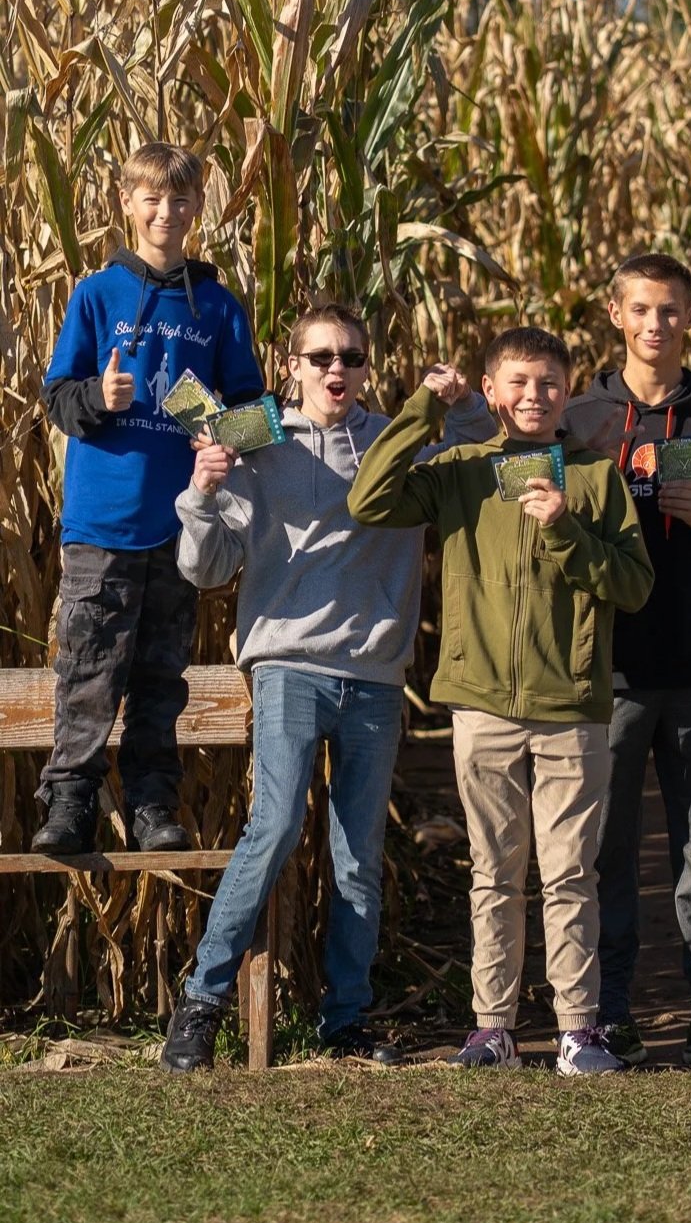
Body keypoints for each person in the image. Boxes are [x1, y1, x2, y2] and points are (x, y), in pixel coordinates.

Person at [160, 305, 494, 1071]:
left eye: (351, 357)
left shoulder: (392, 441)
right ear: (292, 367)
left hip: (374, 674)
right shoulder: (258, 446)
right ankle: (201, 1004)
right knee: (273, 829)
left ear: (369, 367)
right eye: (318, 358)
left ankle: (345, 1019)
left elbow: (486, 453)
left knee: (356, 856)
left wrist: (460, 400)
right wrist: (203, 494)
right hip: (288, 666)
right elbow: (205, 571)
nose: (335, 370)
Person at [349, 326, 654, 1075]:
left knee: (570, 873)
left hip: (571, 706)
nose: (532, 396)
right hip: (481, 704)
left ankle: (578, 1030)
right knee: (494, 872)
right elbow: (369, 498)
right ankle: (493, 1029)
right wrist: (423, 407)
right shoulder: (459, 469)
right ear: (489, 392)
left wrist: (565, 532)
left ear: (567, 390)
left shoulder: (593, 477)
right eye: (516, 382)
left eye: (548, 383)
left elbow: (633, 585)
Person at [33, 142, 263, 857]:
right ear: (127, 203)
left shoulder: (218, 306)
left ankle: (153, 805)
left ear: (199, 209)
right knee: (89, 672)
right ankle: (69, 803)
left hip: (180, 527)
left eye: (182, 199)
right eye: (153, 198)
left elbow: (255, 410)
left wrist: (220, 438)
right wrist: (97, 399)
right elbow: (56, 398)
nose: (167, 212)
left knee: (162, 678)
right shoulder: (96, 294)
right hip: (101, 525)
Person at [561, 254, 691, 1067]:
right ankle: (611, 1013)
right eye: (640, 309)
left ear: (690, 318)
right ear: (615, 315)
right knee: (608, 851)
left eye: (669, 311)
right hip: (603, 671)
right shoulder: (577, 421)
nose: (655, 324)